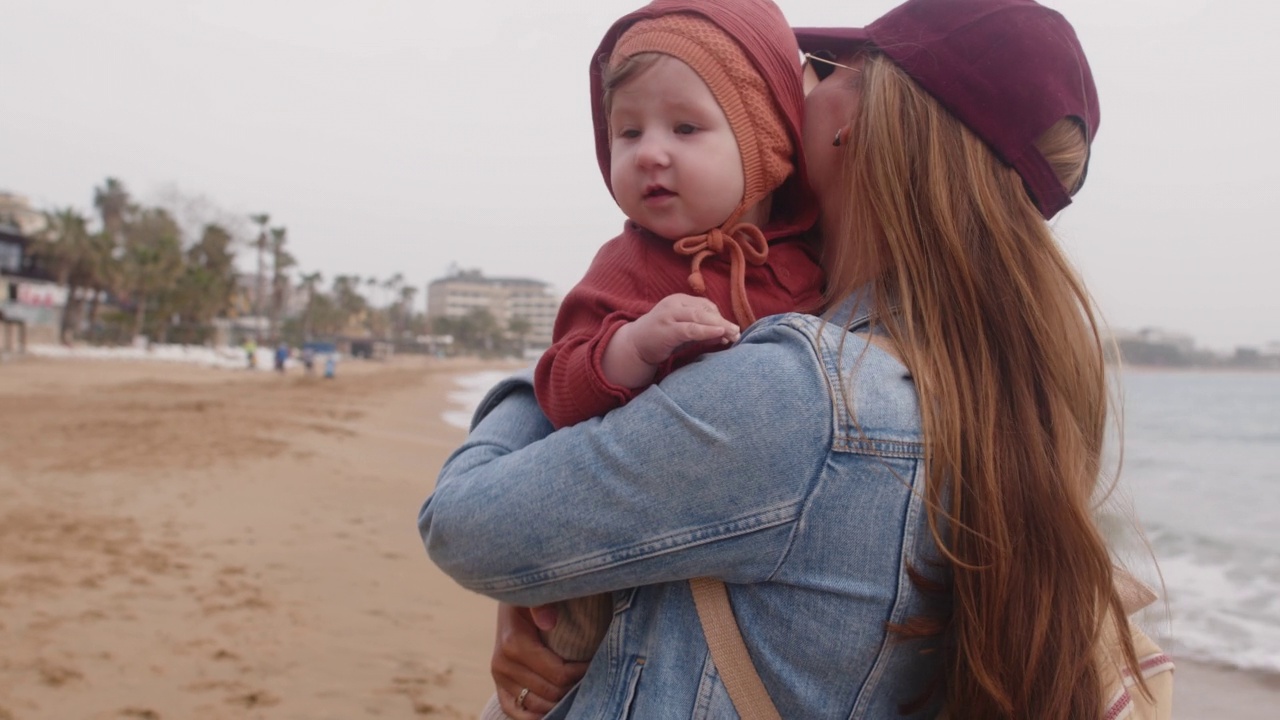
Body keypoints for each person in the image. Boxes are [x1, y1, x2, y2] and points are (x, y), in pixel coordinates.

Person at [421, 1, 1166, 718]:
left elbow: (462, 525)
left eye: (830, 67)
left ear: (858, 121)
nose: (800, 84)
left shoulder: (802, 396)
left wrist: (557, 378)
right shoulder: (984, 392)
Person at [484, 1, 824, 717]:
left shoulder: (810, 265)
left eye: (686, 127)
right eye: (627, 131)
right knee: (555, 669)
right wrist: (632, 347)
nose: (649, 153)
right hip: (618, 541)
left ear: (766, 145)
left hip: (748, 552)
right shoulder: (628, 266)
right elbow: (559, 391)